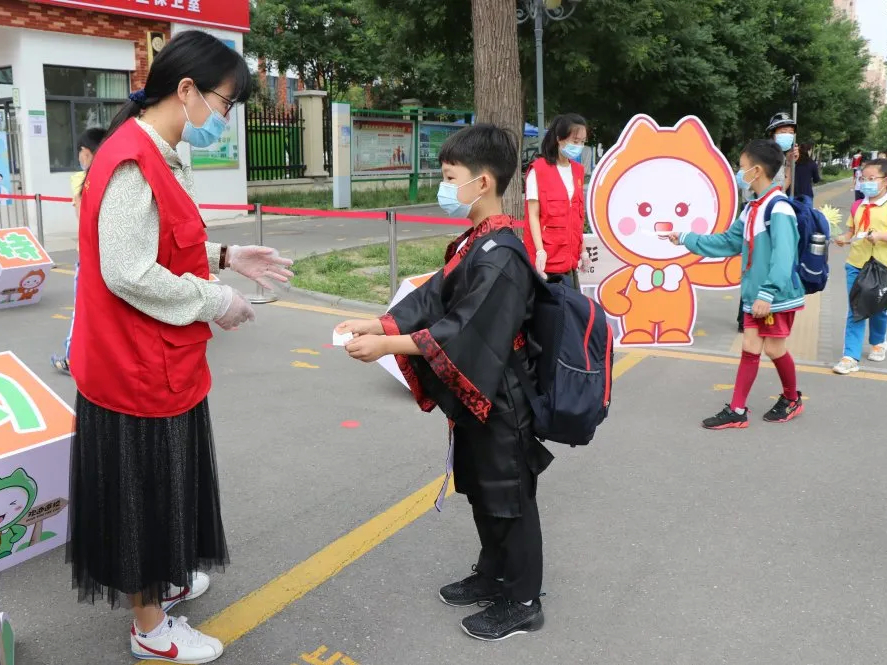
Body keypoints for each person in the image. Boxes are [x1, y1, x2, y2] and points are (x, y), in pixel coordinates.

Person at [67, 30, 293, 665]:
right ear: (186, 91)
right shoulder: (135, 161)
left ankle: (163, 579)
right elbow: (128, 270)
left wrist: (225, 255)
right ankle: (149, 627)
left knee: (167, 480)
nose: (223, 121)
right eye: (224, 105)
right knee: (143, 488)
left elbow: (160, 242)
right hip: (134, 367)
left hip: (158, 360)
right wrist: (215, 299)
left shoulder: (155, 152)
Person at [335, 123, 552, 642]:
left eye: (450, 176)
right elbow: (432, 299)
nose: (445, 186)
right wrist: (380, 323)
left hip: (501, 398)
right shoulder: (477, 242)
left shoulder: (501, 254)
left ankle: (523, 600)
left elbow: (465, 331)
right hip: (478, 396)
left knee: (510, 497)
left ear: (481, 183)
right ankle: (492, 572)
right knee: (481, 487)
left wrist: (388, 346)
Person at [668, 139, 805, 429]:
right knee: (751, 346)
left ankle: (792, 399)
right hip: (755, 294)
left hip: (775, 296)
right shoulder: (751, 208)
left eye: (741, 168)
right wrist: (685, 237)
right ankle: (738, 410)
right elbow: (729, 242)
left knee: (774, 349)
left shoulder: (779, 209)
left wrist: (767, 292)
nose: (739, 173)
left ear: (756, 170)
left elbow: (784, 256)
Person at [50, 127, 106, 375]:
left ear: (86, 151)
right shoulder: (114, 175)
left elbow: (84, 219)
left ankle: (73, 357)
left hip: (89, 256)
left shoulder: (83, 181)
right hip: (110, 256)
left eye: (81, 153)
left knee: (82, 308)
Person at [831, 158, 887, 374]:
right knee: (856, 310)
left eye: (872, 179)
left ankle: (878, 341)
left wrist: (881, 236)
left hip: (882, 268)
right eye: (863, 179)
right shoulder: (858, 205)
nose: (866, 183)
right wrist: (843, 238)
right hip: (856, 265)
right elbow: (851, 232)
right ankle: (850, 356)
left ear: (885, 181)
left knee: (879, 310)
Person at [523, 113, 587, 288]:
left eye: (582, 142)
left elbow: (576, 215)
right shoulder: (539, 170)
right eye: (575, 141)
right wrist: (540, 251)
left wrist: (583, 250)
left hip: (570, 260)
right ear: (559, 139)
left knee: (574, 311)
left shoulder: (578, 171)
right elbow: (533, 215)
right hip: (547, 262)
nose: (579, 146)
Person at [766, 112, 798, 193]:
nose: (788, 135)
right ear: (772, 133)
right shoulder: (763, 155)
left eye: (791, 133)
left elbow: (782, 187)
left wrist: (789, 163)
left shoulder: (781, 156)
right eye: (783, 132)